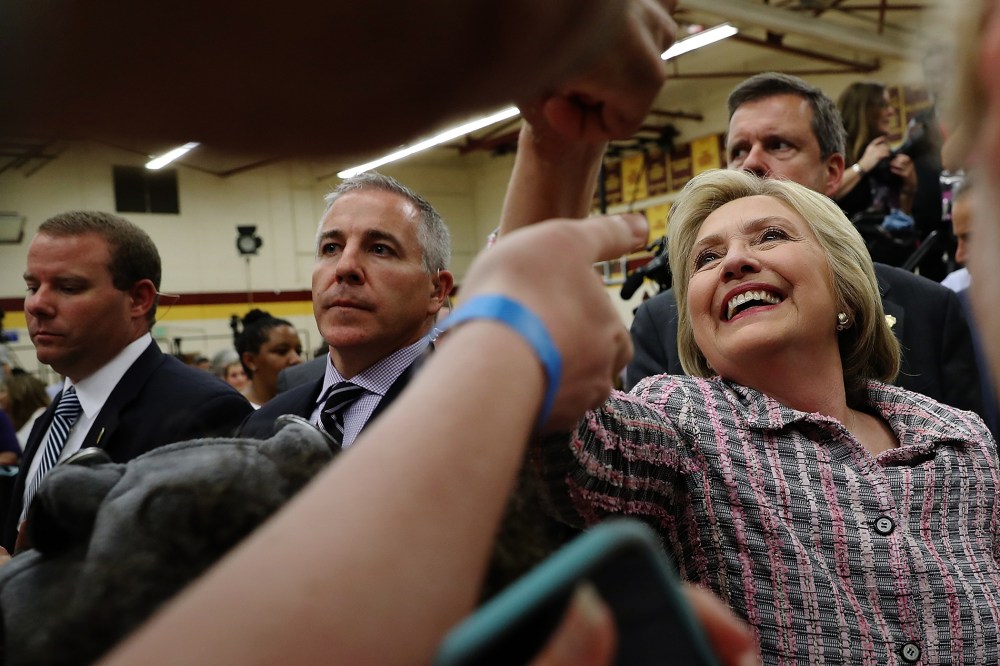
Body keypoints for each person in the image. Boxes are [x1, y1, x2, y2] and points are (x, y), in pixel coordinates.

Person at [527, 169, 998, 663]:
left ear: (845, 291)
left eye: (771, 236)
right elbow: (561, 442)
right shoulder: (682, 421)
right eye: (706, 258)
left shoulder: (959, 441)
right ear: (698, 331)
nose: (734, 261)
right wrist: (556, 156)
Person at [624, 73, 984, 420]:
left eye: (779, 145)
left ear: (832, 172)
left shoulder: (930, 309)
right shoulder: (659, 324)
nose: (750, 163)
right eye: (738, 150)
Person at [2, 211, 254, 551]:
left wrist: (21, 579)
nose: (36, 304)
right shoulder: (57, 414)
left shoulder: (202, 412)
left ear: (138, 299)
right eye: (33, 286)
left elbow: (192, 578)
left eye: (68, 287)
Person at [238, 173, 454, 446]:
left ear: (437, 290)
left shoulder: (474, 417)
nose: (344, 267)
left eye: (380, 249)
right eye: (331, 248)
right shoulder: (261, 427)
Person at [834, 81, 919, 267]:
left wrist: (909, 188)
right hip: (851, 261)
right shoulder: (836, 153)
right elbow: (823, 194)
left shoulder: (886, 154)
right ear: (863, 111)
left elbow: (901, 216)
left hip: (894, 259)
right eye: (883, 105)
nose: (891, 112)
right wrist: (862, 166)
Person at [234, 309, 303, 408]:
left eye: (298, 351)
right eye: (281, 351)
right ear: (250, 361)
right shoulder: (237, 412)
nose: (296, 359)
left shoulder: (306, 403)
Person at [0, 370, 50, 449]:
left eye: (3, 391)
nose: (0, 396)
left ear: (19, 394)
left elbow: (18, 447)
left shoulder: (41, 416)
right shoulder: (18, 420)